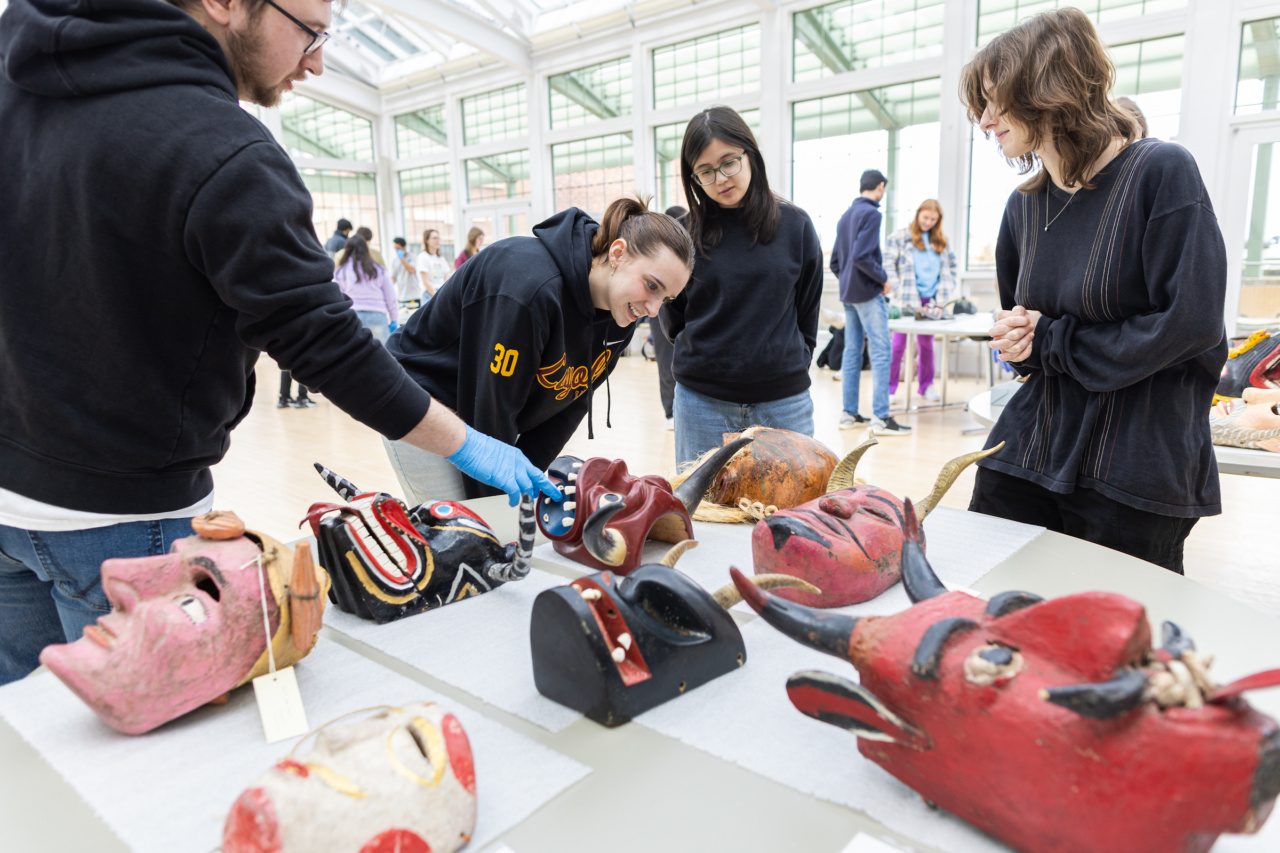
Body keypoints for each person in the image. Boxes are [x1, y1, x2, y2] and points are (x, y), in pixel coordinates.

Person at [0, 0, 558, 685]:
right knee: (153, 763)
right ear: (226, 4)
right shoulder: (221, 148)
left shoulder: (17, 83)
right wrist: (467, 443)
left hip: (8, 492)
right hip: (121, 519)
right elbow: (328, 344)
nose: (318, 61)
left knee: (37, 756)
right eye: (310, 33)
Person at [960, 7, 1227, 574]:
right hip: (1032, 448)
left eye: (993, 100)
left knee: (1112, 638)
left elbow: (1190, 322)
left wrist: (1050, 342)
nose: (984, 121)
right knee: (992, 601)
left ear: (1045, 87)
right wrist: (1017, 340)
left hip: (1135, 459)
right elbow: (1028, 333)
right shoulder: (1024, 207)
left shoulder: (1160, 171)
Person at [386, 197, 695, 501]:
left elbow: (569, 404)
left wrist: (526, 479)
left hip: (489, 413)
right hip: (426, 401)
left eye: (666, 299)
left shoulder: (621, 313)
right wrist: (498, 512)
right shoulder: (528, 288)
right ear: (617, 253)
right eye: (652, 286)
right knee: (466, 534)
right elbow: (490, 410)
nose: (654, 310)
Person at [661, 106, 824, 465]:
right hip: (702, 402)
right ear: (694, 178)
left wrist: (789, 360)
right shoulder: (684, 235)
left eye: (729, 162)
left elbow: (807, 310)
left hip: (783, 402)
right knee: (702, 511)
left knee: (790, 513)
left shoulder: (795, 226)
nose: (720, 178)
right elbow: (672, 314)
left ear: (749, 154)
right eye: (705, 171)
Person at [831, 169, 912, 436]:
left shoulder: (845, 217)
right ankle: (881, 417)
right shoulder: (872, 214)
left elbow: (836, 262)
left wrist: (847, 281)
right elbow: (862, 257)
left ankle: (849, 413)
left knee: (852, 352)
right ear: (879, 187)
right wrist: (883, 280)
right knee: (881, 352)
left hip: (848, 294)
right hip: (867, 292)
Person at [884, 199, 959, 403]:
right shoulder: (900, 237)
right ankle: (889, 389)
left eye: (933, 219)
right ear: (918, 214)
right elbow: (888, 264)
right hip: (907, 299)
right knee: (898, 345)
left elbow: (953, 266)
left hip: (931, 301)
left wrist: (945, 292)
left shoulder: (941, 241)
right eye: (925, 217)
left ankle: (926, 386)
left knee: (926, 345)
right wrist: (897, 288)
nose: (928, 222)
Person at [650, 205, 688, 429]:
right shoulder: (659, 251)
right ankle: (670, 411)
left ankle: (672, 410)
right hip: (661, 309)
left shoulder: (688, 254)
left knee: (669, 362)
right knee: (666, 361)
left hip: (678, 311)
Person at [335, 235, 399, 344]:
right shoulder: (378, 269)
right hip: (377, 316)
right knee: (382, 355)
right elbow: (390, 296)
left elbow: (336, 297)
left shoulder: (341, 271)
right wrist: (394, 319)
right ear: (366, 249)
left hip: (353, 317)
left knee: (356, 355)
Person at [416, 228, 451, 300]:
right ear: (427, 240)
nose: (438, 240)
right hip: (429, 294)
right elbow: (425, 282)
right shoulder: (423, 257)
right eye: (434, 238)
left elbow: (446, 278)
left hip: (442, 292)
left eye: (438, 238)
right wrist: (437, 296)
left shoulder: (441, 258)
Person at [390, 236, 419, 305]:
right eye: (395, 249)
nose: (397, 251)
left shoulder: (413, 257)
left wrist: (402, 259)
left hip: (413, 296)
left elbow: (411, 269)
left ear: (404, 247)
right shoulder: (395, 261)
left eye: (398, 248)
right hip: (401, 297)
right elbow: (393, 278)